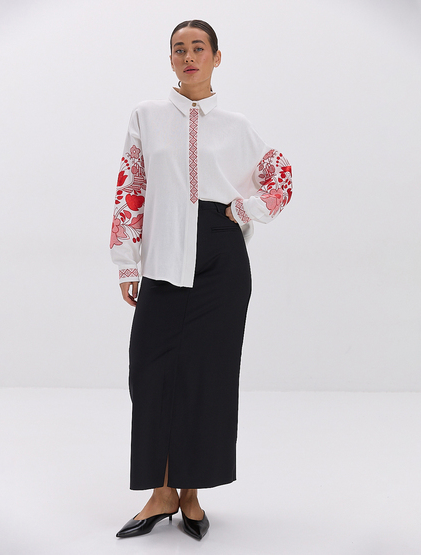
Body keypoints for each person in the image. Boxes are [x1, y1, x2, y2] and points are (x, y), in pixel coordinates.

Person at [110, 19, 292, 541]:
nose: (188, 57)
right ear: (170, 59)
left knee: (207, 378)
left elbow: (280, 176)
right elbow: (131, 186)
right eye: (179, 49)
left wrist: (244, 209)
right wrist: (127, 261)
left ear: (216, 56)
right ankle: (160, 492)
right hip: (163, 255)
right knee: (149, 372)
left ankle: (189, 494)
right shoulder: (146, 116)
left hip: (219, 258)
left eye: (198, 48)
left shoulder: (236, 126)